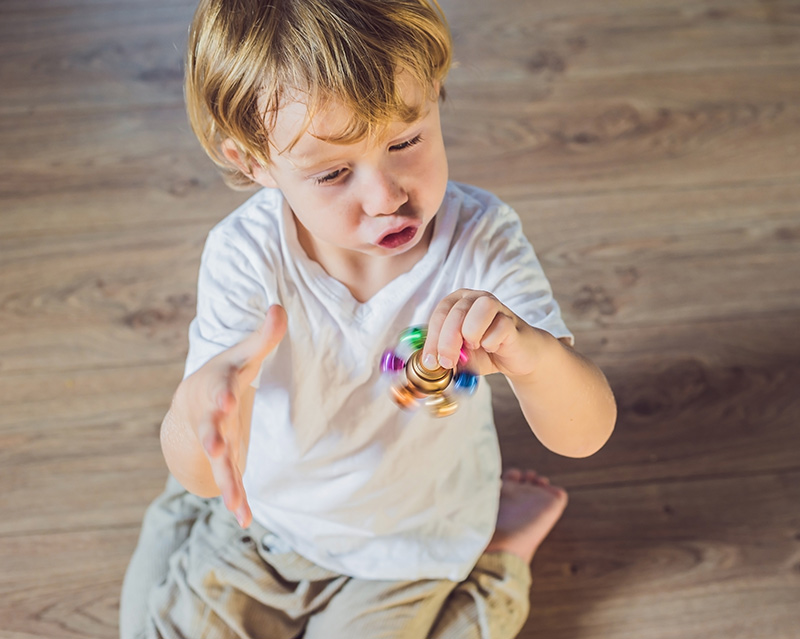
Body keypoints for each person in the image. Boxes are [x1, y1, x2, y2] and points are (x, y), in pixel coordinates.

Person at [120, 0, 617, 637]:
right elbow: (206, 474)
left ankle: (500, 560)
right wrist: (198, 414)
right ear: (253, 163)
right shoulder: (245, 255)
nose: (387, 197)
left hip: (411, 543)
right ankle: (179, 519)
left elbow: (584, 434)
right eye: (332, 173)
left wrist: (532, 354)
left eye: (406, 141)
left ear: (436, 93)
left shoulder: (481, 242)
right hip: (272, 523)